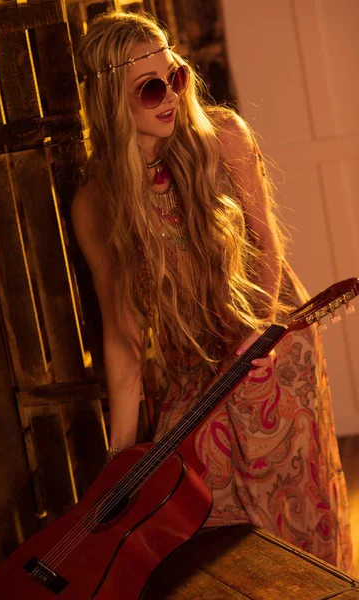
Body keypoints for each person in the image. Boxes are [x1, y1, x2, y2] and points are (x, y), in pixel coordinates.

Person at [72, 10, 353, 573]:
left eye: (174, 76)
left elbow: (267, 241)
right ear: (110, 100)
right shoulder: (96, 203)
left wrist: (258, 335)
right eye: (151, 88)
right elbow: (122, 333)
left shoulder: (222, 137)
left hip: (269, 347)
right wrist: (119, 459)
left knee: (293, 519)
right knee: (209, 531)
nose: (172, 95)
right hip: (190, 368)